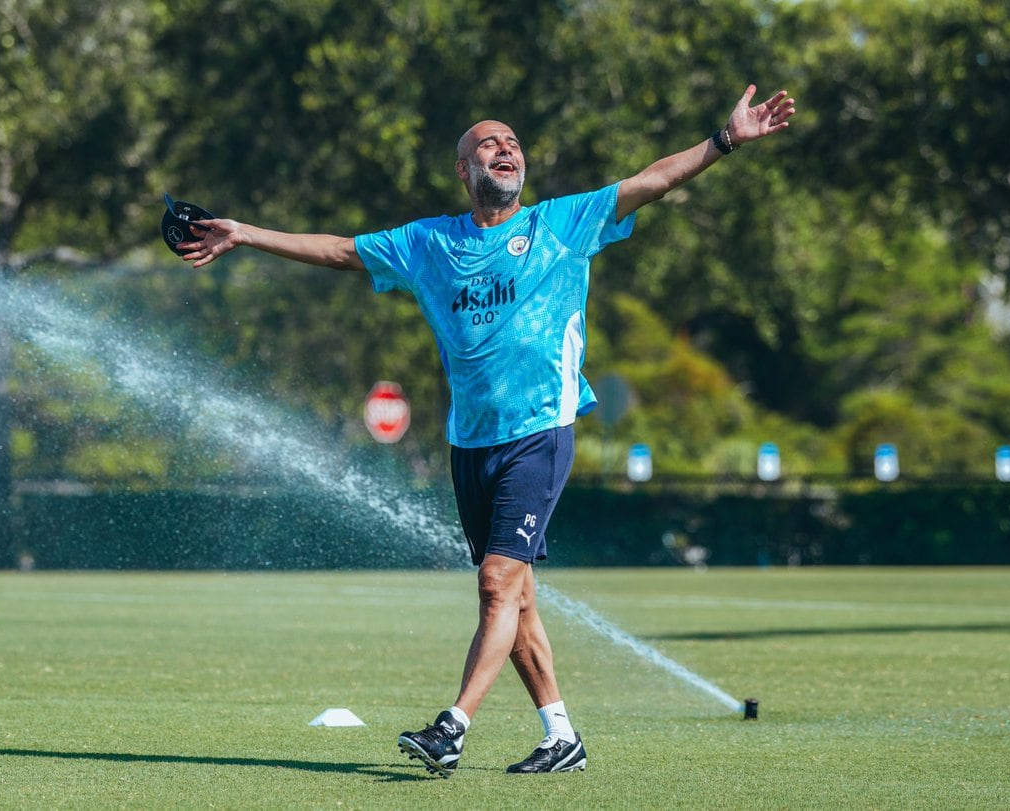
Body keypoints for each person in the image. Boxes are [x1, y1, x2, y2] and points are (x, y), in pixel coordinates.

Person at [178, 84, 795, 777]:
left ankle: (453, 726)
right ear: (464, 172)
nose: (505, 150)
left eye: (512, 144)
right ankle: (561, 735)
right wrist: (245, 233)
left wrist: (725, 140)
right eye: (487, 145)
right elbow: (340, 250)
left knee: (498, 583)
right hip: (470, 444)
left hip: (540, 432)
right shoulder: (428, 242)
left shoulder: (563, 224)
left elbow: (652, 179)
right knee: (519, 595)